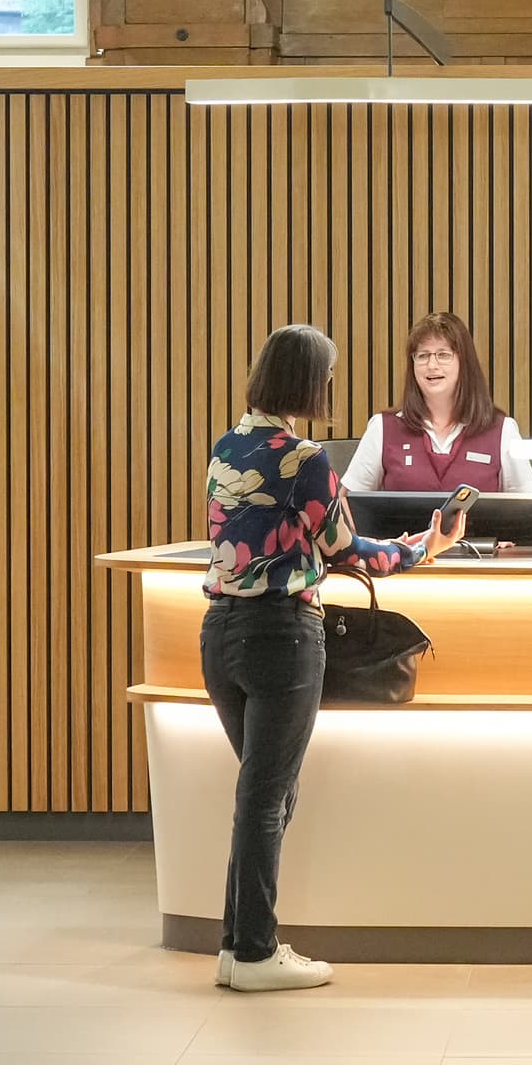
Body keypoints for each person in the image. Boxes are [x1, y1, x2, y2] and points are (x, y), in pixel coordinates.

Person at [198, 323, 466, 991]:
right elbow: (349, 552)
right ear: (305, 381)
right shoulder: (304, 456)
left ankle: (238, 944)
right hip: (282, 637)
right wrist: (422, 548)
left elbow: (280, 535)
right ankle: (255, 952)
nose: (330, 385)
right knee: (266, 798)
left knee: (261, 795)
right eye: (327, 374)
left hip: (220, 634)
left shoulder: (227, 444)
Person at [341, 312, 532, 497]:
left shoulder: (502, 429)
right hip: (401, 539)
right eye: (423, 356)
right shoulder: (382, 428)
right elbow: (346, 503)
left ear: (464, 362)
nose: (432, 365)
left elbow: (525, 508)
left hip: (474, 539)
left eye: (443, 355)